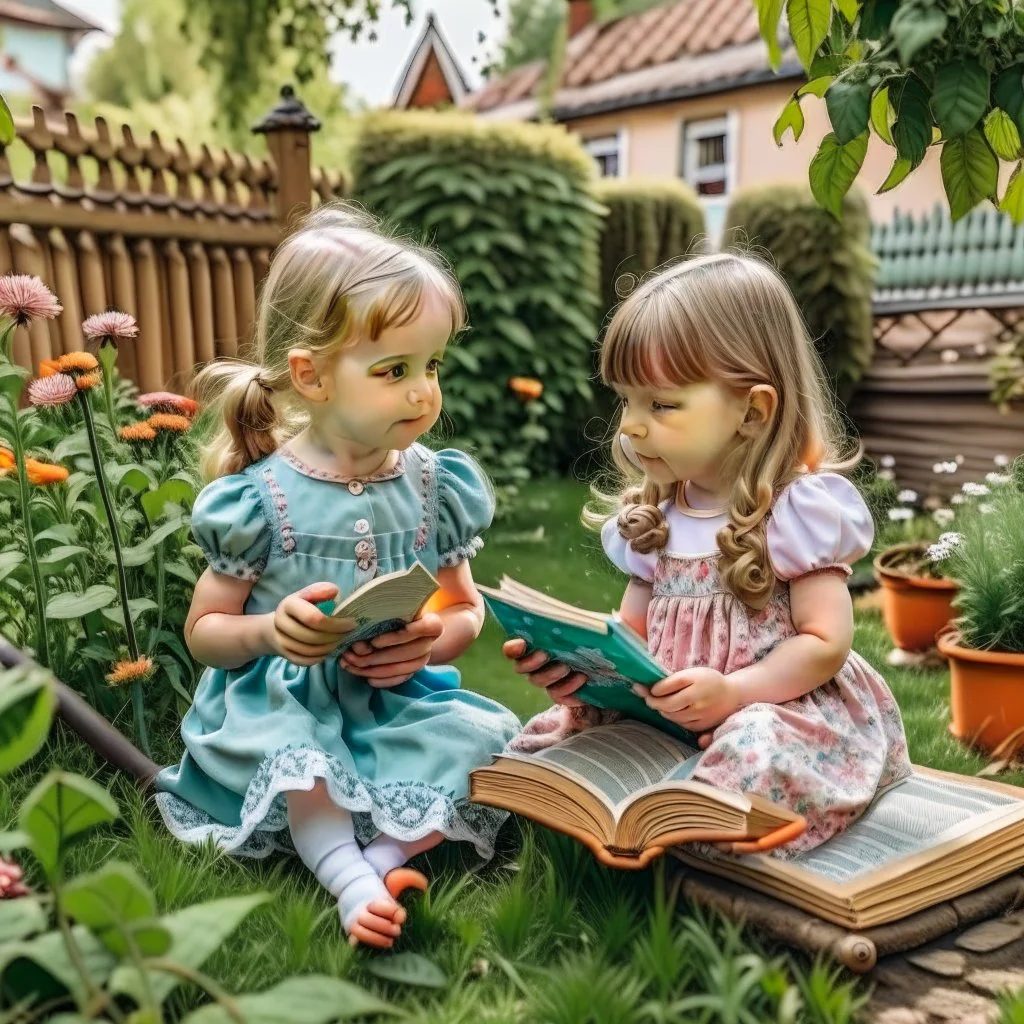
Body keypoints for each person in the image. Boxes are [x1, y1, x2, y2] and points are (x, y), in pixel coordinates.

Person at [156, 204, 520, 947]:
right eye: (395, 371)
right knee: (303, 759)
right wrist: (267, 630)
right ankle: (351, 879)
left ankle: (385, 858)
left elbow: (464, 610)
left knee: (492, 741)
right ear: (312, 376)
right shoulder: (258, 497)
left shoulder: (431, 486)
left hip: (387, 698)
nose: (424, 392)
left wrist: (429, 641)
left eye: (431, 367)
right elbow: (204, 633)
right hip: (282, 701)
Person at [503, 253, 911, 858]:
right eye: (627, 402)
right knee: (558, 742)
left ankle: (712, 827)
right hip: (676, 711)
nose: (632, 428)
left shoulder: (796, 511)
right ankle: (654, 818)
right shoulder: (656, 517)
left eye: (662, 405)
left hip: (777, 704)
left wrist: (734, 692)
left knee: (755, 749)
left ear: (752, 410)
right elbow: (634, 636)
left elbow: (826, 644)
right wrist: (581, 673)